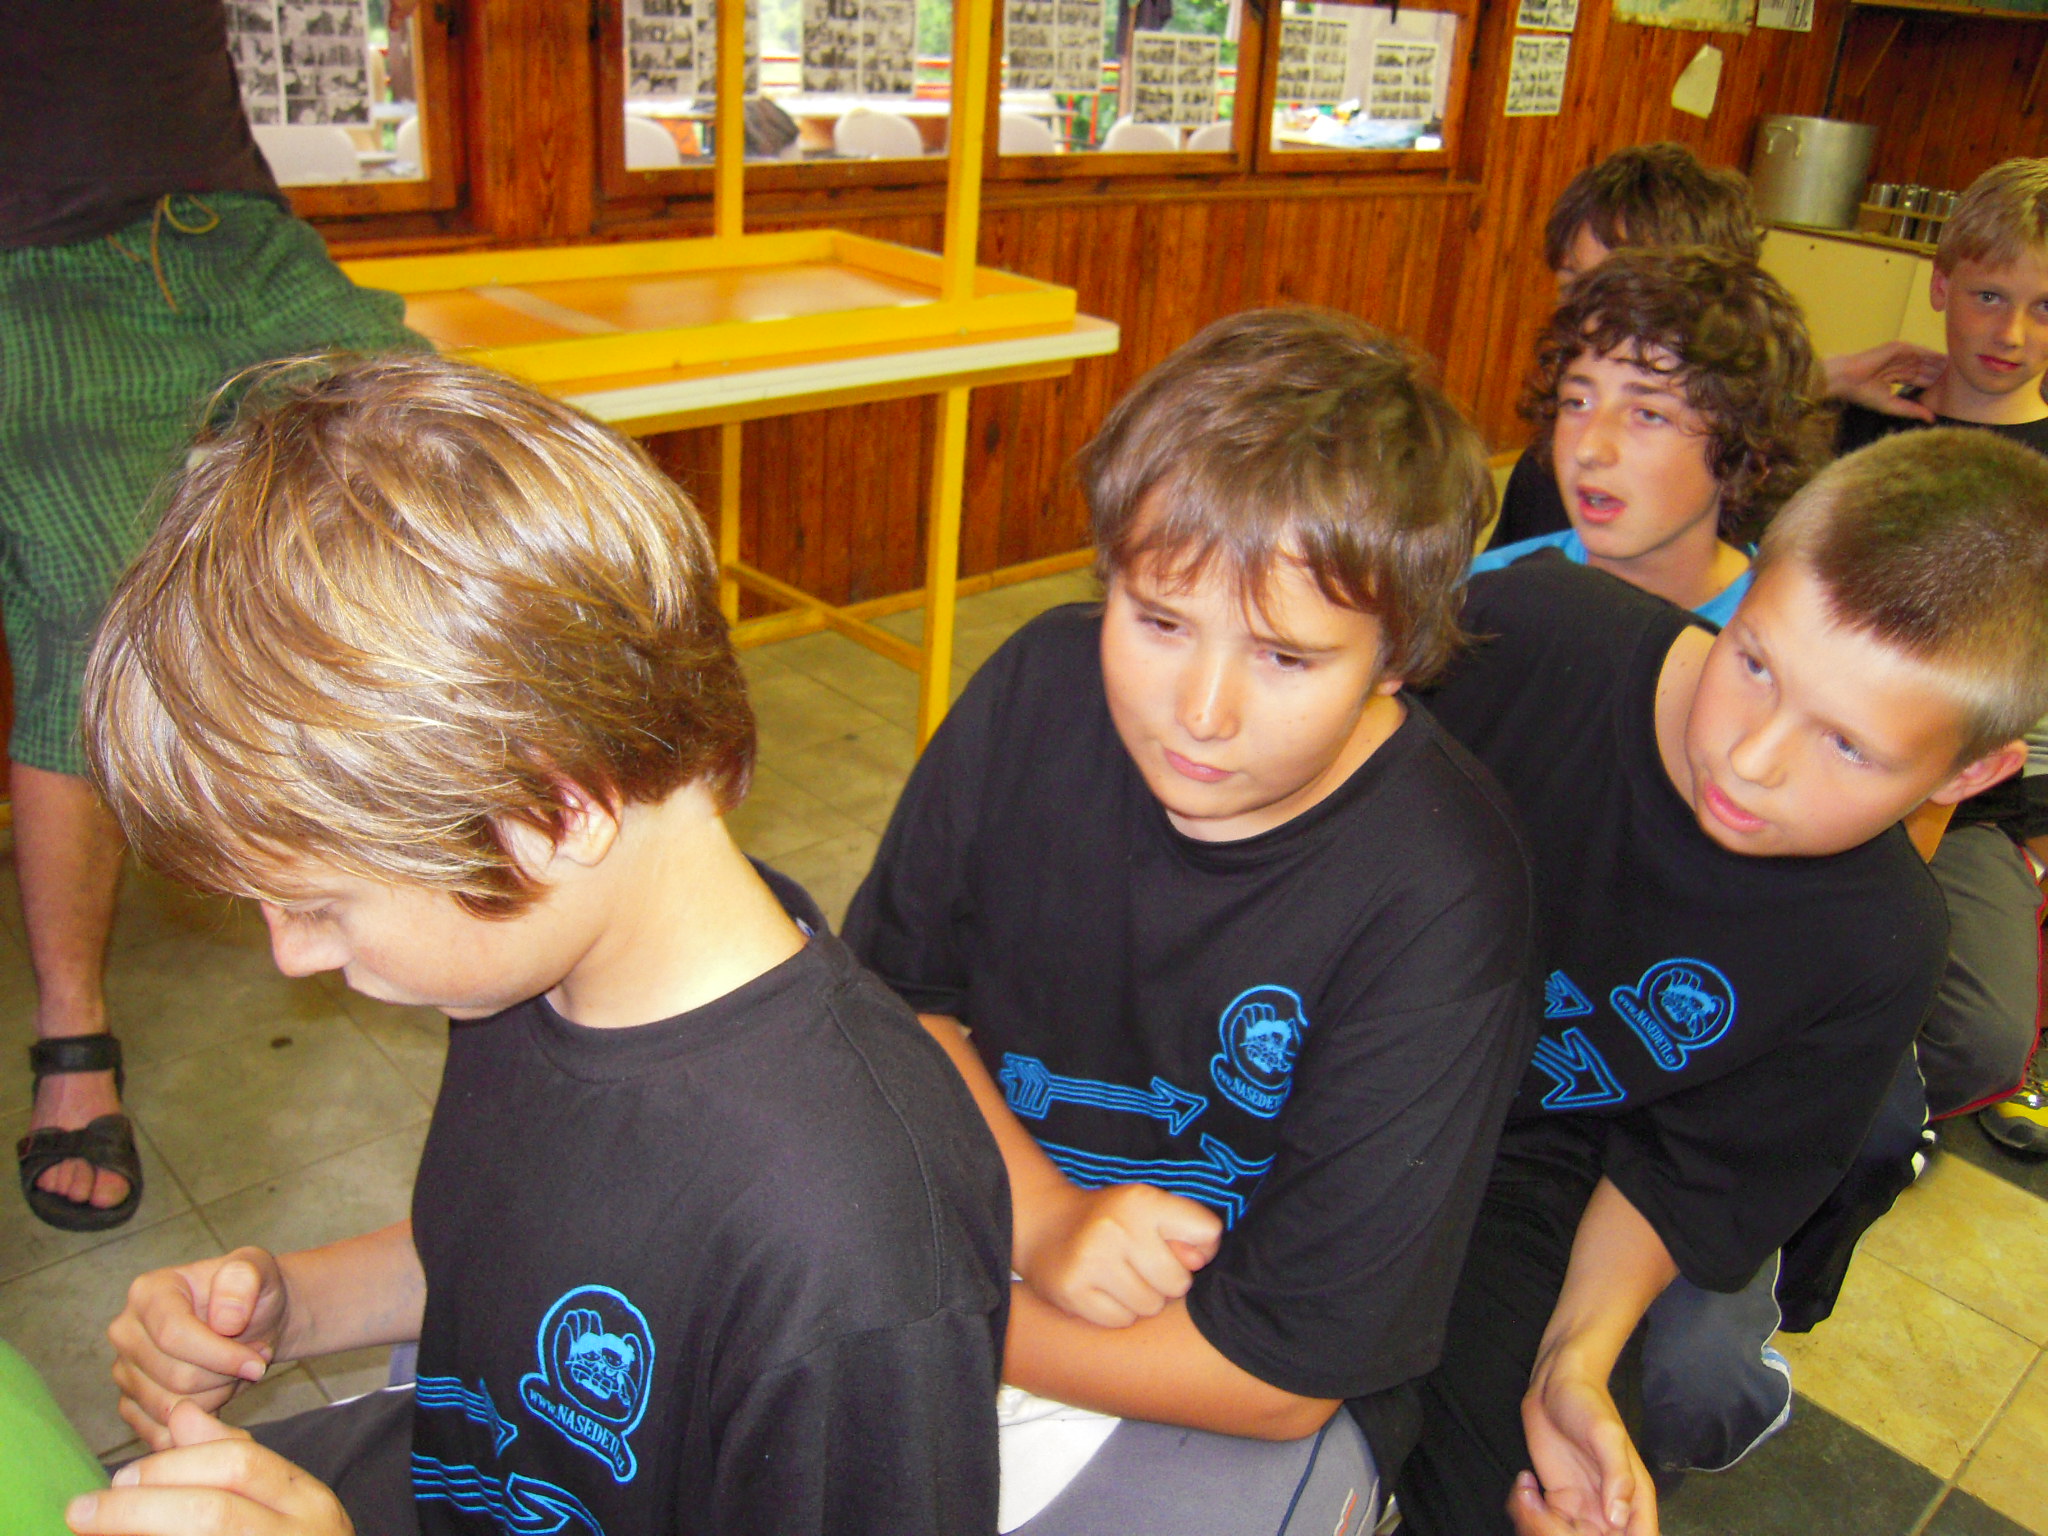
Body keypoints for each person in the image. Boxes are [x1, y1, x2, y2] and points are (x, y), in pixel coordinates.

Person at [75, 355, 1009, 1536]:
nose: (290, 958)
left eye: (316, 905)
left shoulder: (850, 1248)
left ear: (553, 815)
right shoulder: (534, 967)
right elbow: (529, 1268)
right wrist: (292, 1310)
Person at [843, 309, 1542, 1533]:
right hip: (993, 1226)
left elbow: (1280, 1379)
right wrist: (1043, 1219)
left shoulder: (1444, 893)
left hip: (1218, 1367)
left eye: (1284, 658)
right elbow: (895, 1002)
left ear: (1395, 654)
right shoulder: (1036, 685)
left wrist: (920, 1327)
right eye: (1158, 622)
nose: (1201, 712)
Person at [1394, 428, 2048, 1536]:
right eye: (1753, 665)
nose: (1751, 760)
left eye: (1849, 746)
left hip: (1530, 1170)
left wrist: (1572, 1363)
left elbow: (1683, 1176)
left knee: (1512, 1493)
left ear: (1969, 772)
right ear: (1743, 591)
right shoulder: (1519, 631)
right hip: (1317, 1053)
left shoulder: (1880, 945)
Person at [4, 0, 425, 1231]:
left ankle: (484, 914)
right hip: (28, 253)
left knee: (456, 490)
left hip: (236, 231)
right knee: (96, 620)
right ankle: (74, 1031)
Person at [1831, 157, 2048, 1155]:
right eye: (1989, 296)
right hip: (1827, 759)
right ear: (1939, 286)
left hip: (1970, 804)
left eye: (2043, 309)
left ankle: (1869, 1103)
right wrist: (1819, 379)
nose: (2010, 335)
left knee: (1982, 1037)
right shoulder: (1862, 419)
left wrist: (2035, 839)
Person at [1485, 142, 1944, 552]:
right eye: (1574, 288)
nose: (1592, 325)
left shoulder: (1772, 519)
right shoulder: (1546, 472)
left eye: (1630, 295)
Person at [1472, 246, 1828, 628]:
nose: (1589, 448)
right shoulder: (1480, 598)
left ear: (1742, 445)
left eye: (1648, 414)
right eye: (1577, 402)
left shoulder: (1789, 635)